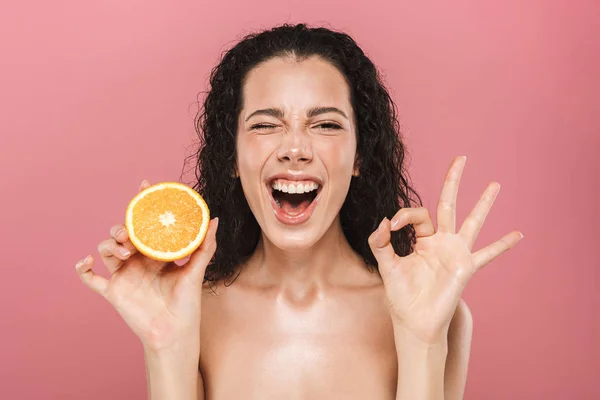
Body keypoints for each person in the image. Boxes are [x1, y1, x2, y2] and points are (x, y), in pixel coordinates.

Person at [75, 23, 523, 400]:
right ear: (231, 156)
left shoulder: (440, 313)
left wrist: (422, 339)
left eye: (325, 124)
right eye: (266, 125)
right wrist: (164, 345)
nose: (294, 148)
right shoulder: (189, 311)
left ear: (360, 154)